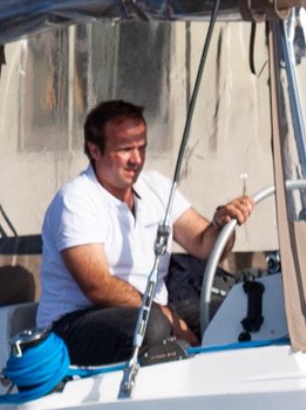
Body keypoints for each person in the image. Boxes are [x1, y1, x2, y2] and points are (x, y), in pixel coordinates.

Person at [40, 98, 252, 366]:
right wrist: (162, 314)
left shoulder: (155, 187)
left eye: (142, 148)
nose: (137, 160)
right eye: (126, 149)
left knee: (238, 311)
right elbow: (97, 286)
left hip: (151, 311)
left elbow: (205, 246)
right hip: (76, 322)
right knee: (152, 328)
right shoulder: (75, 200)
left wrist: (223, 224)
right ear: (95, 150)